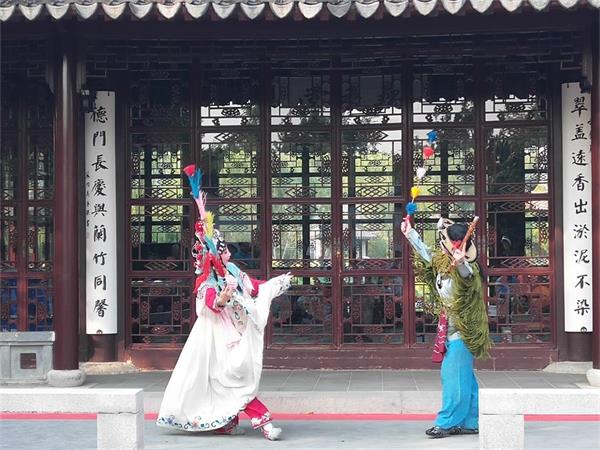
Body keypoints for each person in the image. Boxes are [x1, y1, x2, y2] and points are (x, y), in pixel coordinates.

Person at [157, 165, 292, 441]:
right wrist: (224, 296)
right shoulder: (206, 280)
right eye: (224, 249)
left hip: (235, 333)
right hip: (216, 339)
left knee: (229, 381)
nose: (229, 252)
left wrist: (275, 284)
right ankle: (264, 422)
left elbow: (253, 286)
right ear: (214, 255)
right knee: (234, 378)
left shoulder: (232, 271)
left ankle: (225, 422)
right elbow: (212, 303)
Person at [400, 216, 491, 439]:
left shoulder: (468, 268)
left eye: (445, 240)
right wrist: (409, 233)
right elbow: (426, 253)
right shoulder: (442, 261)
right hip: (449, 326)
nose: (442, 244)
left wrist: (461, 264)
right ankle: (471, 421)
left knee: (452, 376)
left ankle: (446, 422)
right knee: (464, 376)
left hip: (464, 330)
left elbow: (468, 277)